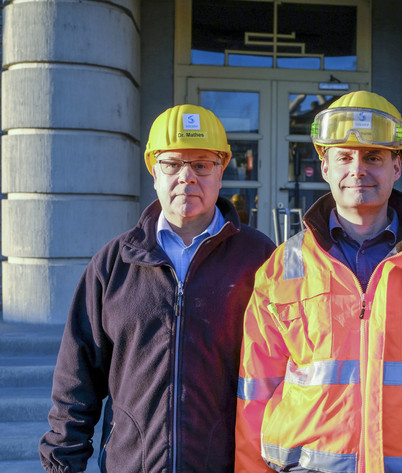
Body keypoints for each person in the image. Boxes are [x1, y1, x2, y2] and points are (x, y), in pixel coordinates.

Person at [235, 91, 402, 473]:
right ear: (325, 167)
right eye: (344, 156)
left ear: (397, 167)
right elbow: (254, 395)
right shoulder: (282, 269)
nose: (358, 169)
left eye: (373, 157)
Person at [39, 104, 275, 472]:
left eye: (202, 164)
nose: (187, 176)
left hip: (227, 464)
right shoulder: (114, 262)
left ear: (221, 170)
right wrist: (61, 462)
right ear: (153, 170)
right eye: (172, 164)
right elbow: (77, 375)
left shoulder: (260, 259)